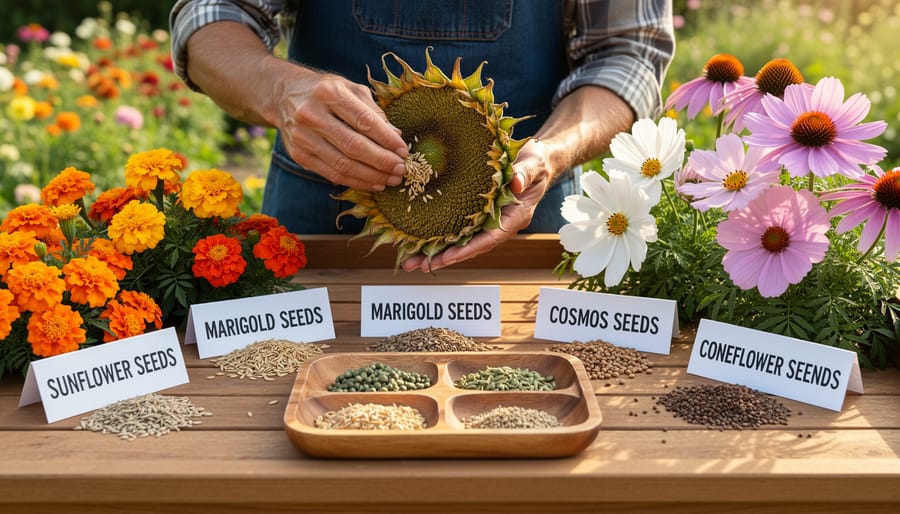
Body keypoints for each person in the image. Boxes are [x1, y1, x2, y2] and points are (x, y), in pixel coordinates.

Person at [169, 0, 675, 272]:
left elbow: (627, 52)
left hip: (524, 220)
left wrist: (552, 151)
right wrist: (281, 90)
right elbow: (212, 17)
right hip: (319, 229)